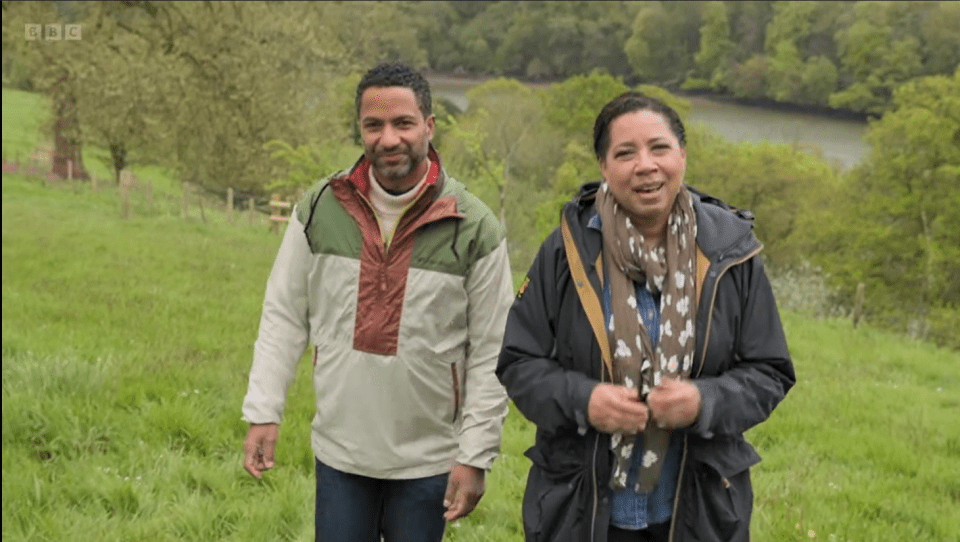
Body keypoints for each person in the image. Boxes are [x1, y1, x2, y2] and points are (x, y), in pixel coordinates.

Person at [496, 91, 795, 542]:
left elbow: (770, 372)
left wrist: (702, 401)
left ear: (682, 155)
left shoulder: (730, 254)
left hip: (696, 513)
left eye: (659, 148)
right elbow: (519, 362)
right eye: (625, 153)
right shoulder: (566, 251)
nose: (645, 165)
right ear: (604, 167)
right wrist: (585, 400)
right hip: (582, 513)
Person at [241, 62, 513, 542]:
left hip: (428, 461)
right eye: (374, 125)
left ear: (429, 126)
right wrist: (264, 409)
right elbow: (284, 313)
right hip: (341, 453)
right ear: (361, 130)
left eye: (403, 123)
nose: (389, 138)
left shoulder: (475, 227)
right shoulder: (320, 208)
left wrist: (475, 454)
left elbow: (494, 349)